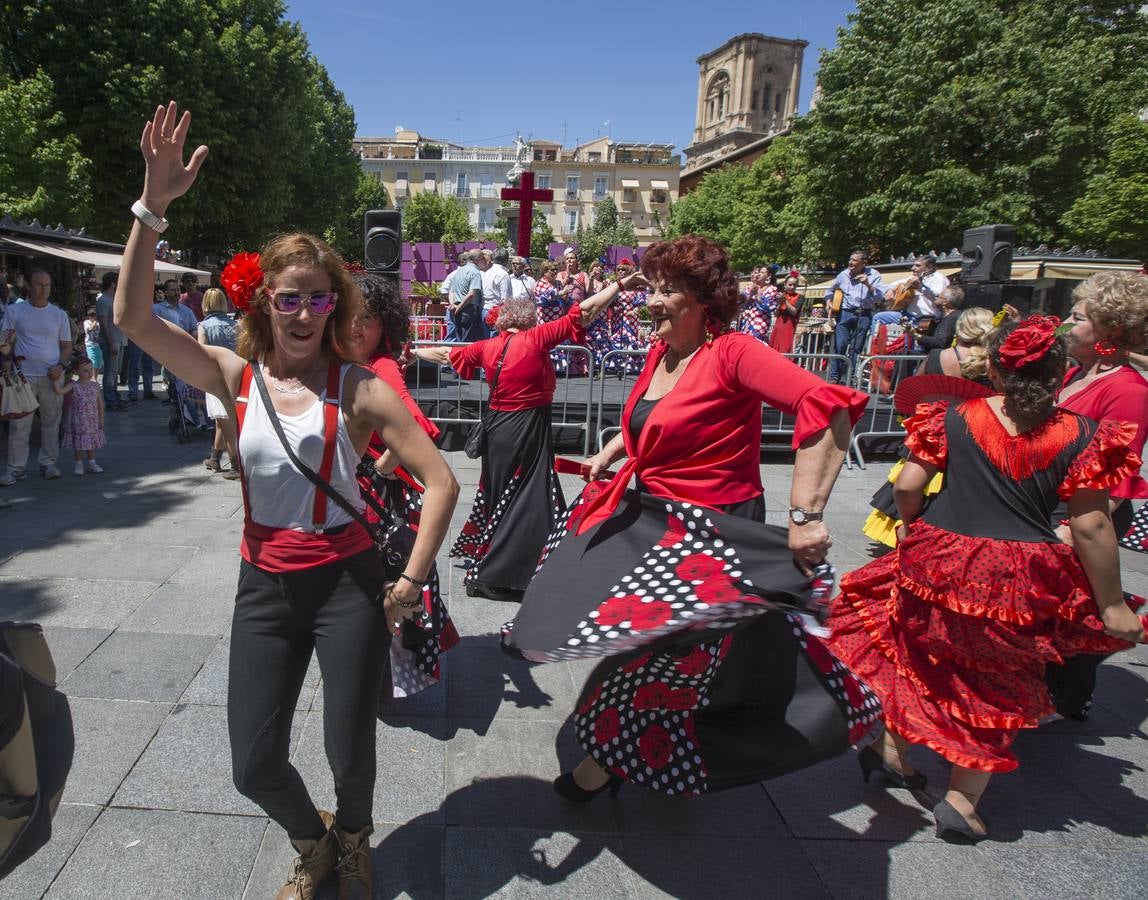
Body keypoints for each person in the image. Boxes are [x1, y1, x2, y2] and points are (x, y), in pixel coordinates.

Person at [114, 101, 458, 899]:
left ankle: (356, 839)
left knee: (349, 747)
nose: (303, 314)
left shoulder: (361, 387)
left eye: (316, 299)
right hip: (263, 584)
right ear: (263, 303)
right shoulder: (234, 378)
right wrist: (152, 206)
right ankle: (315, 841)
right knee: (253, 762)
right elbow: (133, 316)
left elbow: (440, 481)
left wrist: (407, 580)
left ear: (333, 305)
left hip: (348, 584)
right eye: (287, 298)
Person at [502, 235, 875, 801]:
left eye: (667, 290)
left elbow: (827, 407)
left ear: (704, 303)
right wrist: (616, 451)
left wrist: (805, 513)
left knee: (665, 663)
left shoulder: (733, 353)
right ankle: (644, 756)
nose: (651, 300)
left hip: (713, 534)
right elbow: (659, 423)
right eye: (651, 288)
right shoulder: (662, 352)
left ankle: (608, 767)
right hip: (655, 525)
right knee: (651, 652)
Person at [828, 316, 1146, 843]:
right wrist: (1111, 603)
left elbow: (909, 484)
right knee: (996, 682)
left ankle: (891, 750)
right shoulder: (1084, 434)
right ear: (1060, 373)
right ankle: (961, 799)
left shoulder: (952, 416)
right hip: (1018, 572)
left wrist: (914, 528)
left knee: (918, 654)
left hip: (939, 556)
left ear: (994, 370)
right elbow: (1091, 523)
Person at [411, 278, 630, 601]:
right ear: (528, 319)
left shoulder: (486, 347)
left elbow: (445, 354)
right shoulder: (536, 338)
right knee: (526, 495)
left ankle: (497, 556)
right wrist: (619, 285)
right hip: (527, 426)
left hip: (497, 428)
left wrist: (411, 350)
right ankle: (508, 567)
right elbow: (585, 310)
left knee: (499, 491)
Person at [348, 272, 457, 699]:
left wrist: (382, 465)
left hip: (377, 499)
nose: (357, 325)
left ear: (384, 327)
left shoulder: (382, 367)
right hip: (359, 493)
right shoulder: (351, 365)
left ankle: (376, 675)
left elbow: (420, 428)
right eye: (351, 315)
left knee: (378, 587)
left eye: (368, 318)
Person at [1044, 271, 1148, 720]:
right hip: (1054, 510)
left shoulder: (1127, 390)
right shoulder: (1077, 371)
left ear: (1110, 331)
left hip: (1084, 516)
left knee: (1072, 620)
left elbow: (1113, 489)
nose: (1066, 324)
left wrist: (1065, 536)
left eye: (1077, 317)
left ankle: (1065, 698)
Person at [862, 306, 997, 549]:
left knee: (910, 482)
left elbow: (917, 387)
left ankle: (907, 526)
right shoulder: (991, 364)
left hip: (931, 431)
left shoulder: (936, 356)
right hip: (971, 434)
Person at [0, 268, 73, 484]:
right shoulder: (15, 312)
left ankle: (48, 463)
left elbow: (67, 346)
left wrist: (60, 365)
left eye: (47, 285)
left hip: (52, 376)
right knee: (19, 426)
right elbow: (6, 343)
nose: (43, 289)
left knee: (51, 422)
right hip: (23, 377)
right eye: (39, 285)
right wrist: (6, 366)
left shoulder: (59, 314)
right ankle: (15, 468)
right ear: (30, 287)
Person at [198, 288, 240, 479]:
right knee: (221, 419)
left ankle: (236, 464)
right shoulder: (236, 325)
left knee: (225, 421)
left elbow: (202, 354)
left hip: (215, 378)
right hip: (236, 376)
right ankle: (215, 457)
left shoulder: (204, 326)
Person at [826, 251, 884, 384]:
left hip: (864, 313)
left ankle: (849, 377)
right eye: (850, 259)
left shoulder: (874, 274)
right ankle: (835, 376)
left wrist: (868, 285)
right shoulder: (843, 274)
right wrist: (829, 301)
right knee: (840, 345)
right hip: (845, 312)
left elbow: (879, 298)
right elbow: (830, 290)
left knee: (855, 348)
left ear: (864, 263)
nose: (850, 263)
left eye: (854, 260)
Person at [872, 255, 949, 349]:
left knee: (918, 348)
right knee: (879, 317)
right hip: (908, 316)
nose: (913, 268)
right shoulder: (914, 277)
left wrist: (921, 287)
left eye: (918, 266)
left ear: (929, 267)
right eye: (913, 265)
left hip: (926, 320)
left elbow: (938, 297)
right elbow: (891, 284)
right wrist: (891, 289)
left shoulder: (939, 278)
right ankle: (875, 348)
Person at [53, 357, 105, 475]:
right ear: (76, 371)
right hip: (78, 421)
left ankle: (92, 463)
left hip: (92, 420)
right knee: (79, 443)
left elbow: (100, 403)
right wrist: (55, 379)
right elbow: (60, 391)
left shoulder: (95, 385)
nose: (89, 372)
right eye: (85, 370)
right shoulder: (73, 385)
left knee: (90, 442)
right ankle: (78, 464)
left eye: (90, 369)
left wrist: (101, 418)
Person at [606, 258, 648, 374]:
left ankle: (630, 364)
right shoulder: (613, 285)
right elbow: (608, 300)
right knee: (616, 338)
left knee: (628, 338)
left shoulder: (635, 286)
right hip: (617, 317)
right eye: (618, 269)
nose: (620, 272)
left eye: (623, 269)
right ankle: (616, 363)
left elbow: (641, 301)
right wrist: (613, 307)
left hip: (630, 317)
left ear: (629, 271)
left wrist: (634, 311)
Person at [95, 272, 126, 409]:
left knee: (115, 371)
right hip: (111, 340)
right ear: (113, 283)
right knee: (109, 371)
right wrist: (111, 341)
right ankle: (110, 399)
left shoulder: (114, 299)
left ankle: (114, 396)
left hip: (119, 339)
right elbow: (103, 324)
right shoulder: (103, 300)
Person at [915, 285, 965, 352]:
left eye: (939, 297)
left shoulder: (952, 318)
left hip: (941, 358)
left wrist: (916, 335)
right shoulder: (945, 316)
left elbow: (940, 342)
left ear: (945, 302)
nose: (935, 298)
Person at [448, 250, 485, 343]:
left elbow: (451, 291)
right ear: (477, 259)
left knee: (460, 340)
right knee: (468, 342)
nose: (484, 261)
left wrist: (453, 305)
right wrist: (459, 308)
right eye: (482, 258)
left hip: (457, 309)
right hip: (468, 310)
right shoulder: (475, 272)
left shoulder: (458, 271)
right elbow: (472, 293)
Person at [736, 266, 777, 342]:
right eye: (759, 272)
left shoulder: (772, 289)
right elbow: (741, 304)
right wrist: (751, 296)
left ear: (769, 276)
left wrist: (758, 297)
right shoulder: (749, 287)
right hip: (745, 322)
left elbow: (770, 307)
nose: (759, 274)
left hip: (760, 322)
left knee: (754, 343)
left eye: (762, 272)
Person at [769, 273, 803, 354]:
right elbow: (776, 314)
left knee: (786, 349)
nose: (792, 287)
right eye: (790, 285)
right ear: (785, 284)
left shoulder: (800, 297)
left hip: (789, 326)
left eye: (794, 285)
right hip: (778, 326)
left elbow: (794, 312)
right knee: (774, 350)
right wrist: (780, 304)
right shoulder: (780, 295)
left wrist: (785, 301)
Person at [82, 307, 103, 375]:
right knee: (93, 362)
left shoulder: (98, 323)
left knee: (99, 363)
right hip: (90, 345)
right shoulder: (86, 322)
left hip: (98, 345)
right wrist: (95, 322)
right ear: (89, 316)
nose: (93, 317)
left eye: (94, 316)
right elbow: (90, 329)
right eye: (91, 316)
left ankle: (95, 377)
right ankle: (93, 378)